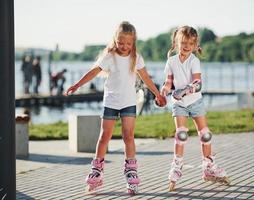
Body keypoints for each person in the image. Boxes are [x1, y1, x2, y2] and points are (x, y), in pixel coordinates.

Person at [65, 21, 166, 195]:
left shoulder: (136, 57)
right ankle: (97, 171)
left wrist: (158, 94)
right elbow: (94, 71)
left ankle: (131, 171)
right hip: (111, 102)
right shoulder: (109, 56)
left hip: (128, 102)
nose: (124, 46)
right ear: (115, 39)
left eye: (128, 43)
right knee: (105, 136)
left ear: (133, 42)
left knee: (128, 136)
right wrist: (77, 85)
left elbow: (146, 78)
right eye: (121, 42)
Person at [160, 26, 230, 191]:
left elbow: (198, 84)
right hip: (179, 104)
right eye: (183, 42)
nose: (187, 46)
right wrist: (165, 90)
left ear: (195, 44)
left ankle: (208, 167)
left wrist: (184, 90)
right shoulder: (171, 61)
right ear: (177, 42)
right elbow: (169, 81)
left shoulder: (194, 61)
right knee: (181, 134)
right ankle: (176, 166)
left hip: (195, 102)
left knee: (205, 134)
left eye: (191, 43)